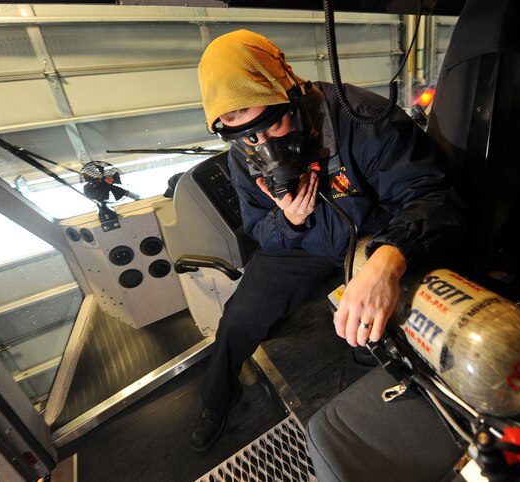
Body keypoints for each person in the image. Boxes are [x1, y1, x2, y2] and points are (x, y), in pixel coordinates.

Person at [191, 29, 462, 452]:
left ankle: (349, 427)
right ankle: (217, 399)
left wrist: (391, 256)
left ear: (291, 91)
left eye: (273, 124)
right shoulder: (244, 153)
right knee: (238, 317)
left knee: (370, 334)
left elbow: (432, 194)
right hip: (304, 240)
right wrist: (289, 221)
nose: (264, 145)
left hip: (372, 235)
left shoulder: (362, 117)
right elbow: (257, 228)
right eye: (249, 137)